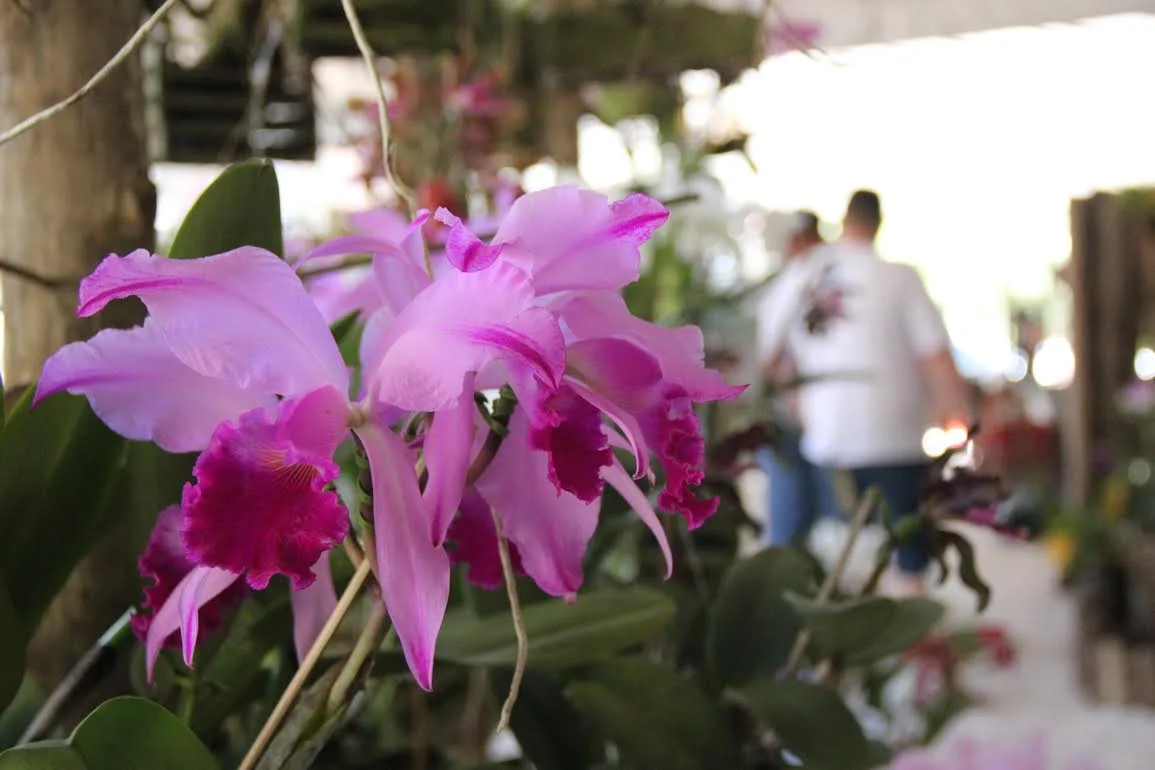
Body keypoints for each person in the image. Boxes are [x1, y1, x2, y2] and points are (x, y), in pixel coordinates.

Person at [757, 190, 972, 595]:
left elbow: (771, 359)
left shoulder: (805, 273)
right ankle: (911, 628)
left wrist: (796, 401)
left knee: (832, 549)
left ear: (844, 220)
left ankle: (835, 622)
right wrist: (959, 413)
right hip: (897, 441)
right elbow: (936, 357)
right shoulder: (901, 277)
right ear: (878, 223)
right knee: (908, 550)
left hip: (828, 442)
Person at [754, 211, 840, 547]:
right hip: (814, 408)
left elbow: (770, 351)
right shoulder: (833, 269)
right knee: (820, 503)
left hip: (796, 409)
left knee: (792, 507)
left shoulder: (803, 274)